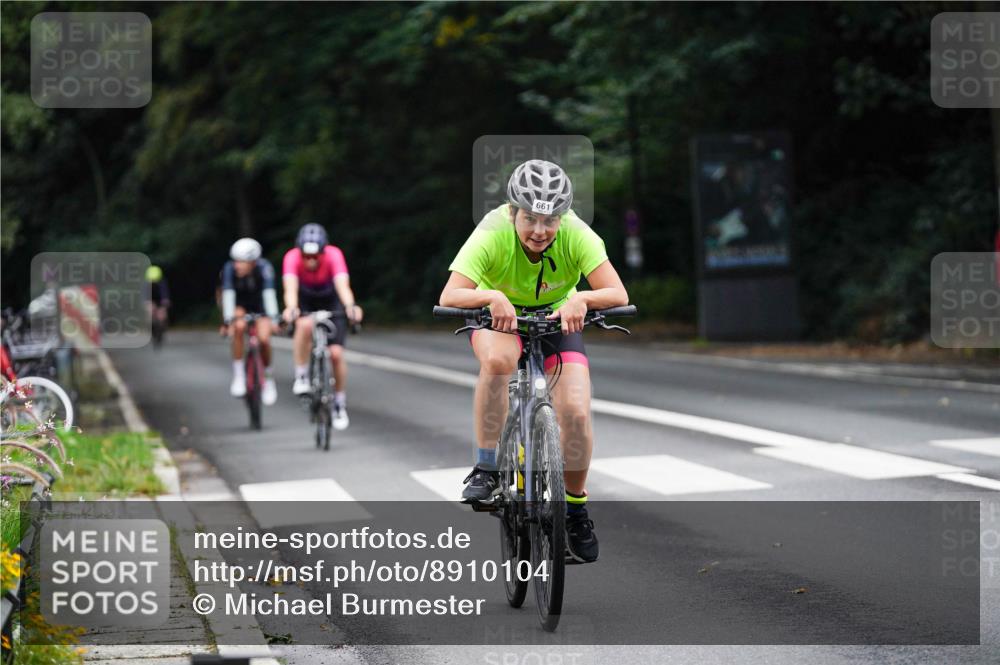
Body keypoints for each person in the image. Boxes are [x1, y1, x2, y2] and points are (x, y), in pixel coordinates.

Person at [438, 159, 628, 563]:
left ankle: (575, 508)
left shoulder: (577, 233)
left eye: (550, 220)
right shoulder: (491, 231)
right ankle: (487, 468)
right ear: (512, 212)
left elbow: (617, 293)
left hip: (557, 318)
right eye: (529, 219)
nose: (540, 231)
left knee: (575, 411)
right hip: (497, 316)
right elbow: (450, 296)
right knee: (500, 361)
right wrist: (489, 296)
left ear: (563, 217)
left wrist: (582, 298)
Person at [281, 223, 362, 430]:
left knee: (335, 354)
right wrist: (291, 308)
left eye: (315, 256)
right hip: (306, 301)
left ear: (322, 252)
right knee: (304, 324)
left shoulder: (334, 255)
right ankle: (301, 375)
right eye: (306, 256)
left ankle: (339, 403)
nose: (310, 260)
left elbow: (343, 286)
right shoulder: (291, 257)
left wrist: (350, 307)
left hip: (331, 301)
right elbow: (290, 289)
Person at [220, 238, 279, 404]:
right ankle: (239, 374)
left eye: (242, 262)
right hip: (240, 305)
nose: (237, 265)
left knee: (264, 339)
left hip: (260, 306)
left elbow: (269, 295)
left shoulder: (264, 268)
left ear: (253, 262)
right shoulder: (229, 269)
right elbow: (228, 295)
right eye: (235, 261)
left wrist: (274, 319)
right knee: (238, 327)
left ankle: (268, 378)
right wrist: (227, 320)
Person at [145, 265, 170, 341]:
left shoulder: (162, 282)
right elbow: (144, 295)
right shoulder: (146, 284)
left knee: (162, 316)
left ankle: (162, 328)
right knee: (149, 312)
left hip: (160, 300)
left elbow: (164, 293)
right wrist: (147, 303)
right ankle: (151, 327)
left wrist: (165, 300)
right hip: (151, 300)